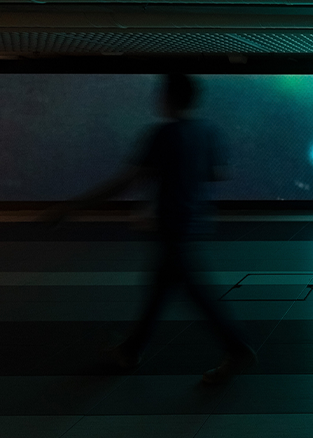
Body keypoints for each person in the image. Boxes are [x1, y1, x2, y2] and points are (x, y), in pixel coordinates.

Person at [43, 73, 255, 384]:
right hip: (193, 221)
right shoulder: (208, 131)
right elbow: (218, 173)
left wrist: (72, 205)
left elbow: (128, 181)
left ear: (166, 98)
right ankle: (130, 349)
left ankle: (236, 349)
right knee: (161, 288)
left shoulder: (162, 134)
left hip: (170, 223)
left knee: (193, 292)